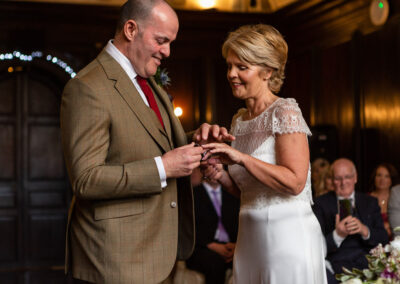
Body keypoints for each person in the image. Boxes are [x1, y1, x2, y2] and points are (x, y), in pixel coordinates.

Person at [60, 1, 232, 283]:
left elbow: (153, 141)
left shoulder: (148, 80)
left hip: (157, 252)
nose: (167, 52)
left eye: (170, 43)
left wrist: (199, 142)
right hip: (115, 258)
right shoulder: (87, 87)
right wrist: (163, 168)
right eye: (161, 40)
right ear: (130, 29)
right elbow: (86, 179)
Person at [201, 24, 327, 284]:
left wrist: (241, 158)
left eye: (242, 67)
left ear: (268, 72)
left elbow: (294, 182)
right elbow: (249, 190)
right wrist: (221, 176)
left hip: (287, 236)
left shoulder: (285, 111)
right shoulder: (239, 120)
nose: (231, 74)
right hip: (249, 236)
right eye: (229, 66)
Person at [313, 158, 389, 284]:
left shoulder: (369, 202)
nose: (343, 183)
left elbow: (384, 238)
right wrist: (338, 235)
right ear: (332, 180)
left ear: (355, 178)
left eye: (347, 177)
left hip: (367, 263)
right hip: (336, 265)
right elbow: (315, 247)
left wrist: (365, 231)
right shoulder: (321, 204)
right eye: (338, 178)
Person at [186, 168, 240, 284]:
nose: (215, 171)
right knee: (215, 263)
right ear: (203, 171)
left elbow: (239, 223)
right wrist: (211, 245)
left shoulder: (233, 194)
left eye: (218, 167)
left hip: (231, 246)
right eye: (211, 168)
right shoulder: (192, 195)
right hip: (202, 247)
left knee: (244, 260)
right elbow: (188, 227)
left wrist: (236, 246)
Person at [368, 163, 398, 239]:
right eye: (379, 175)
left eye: (386, 176)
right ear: (374, 178)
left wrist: (390, 226)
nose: (382, 179)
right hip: (371, 240)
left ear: (391, 179)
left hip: (395, 241)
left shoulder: (397, 198)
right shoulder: (366, 199)